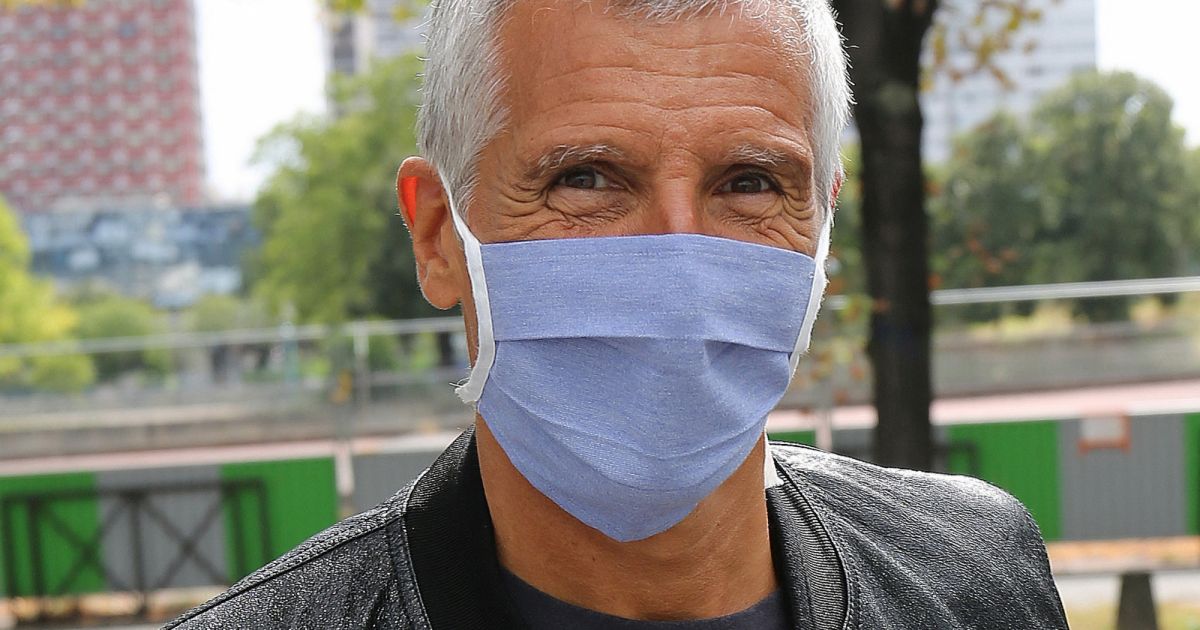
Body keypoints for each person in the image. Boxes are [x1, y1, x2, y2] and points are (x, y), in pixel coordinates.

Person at [166, 0, 1068, 628]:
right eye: (586, 178)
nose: (679, 265)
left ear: (824, 228)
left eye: (750, 183)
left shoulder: (975, 579)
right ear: (437, 235)